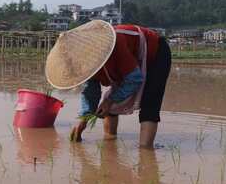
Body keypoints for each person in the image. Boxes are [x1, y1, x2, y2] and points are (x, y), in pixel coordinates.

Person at [45, 20, 171, 148]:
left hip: (155, 52)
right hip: (131, 57)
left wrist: (110, 100)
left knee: (149, 105)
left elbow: (134, 79)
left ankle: (145, 152)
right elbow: (91, 91)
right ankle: (110, 144)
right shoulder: (85, 64)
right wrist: (84, 118)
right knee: (108, 107)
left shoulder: (113, 45)